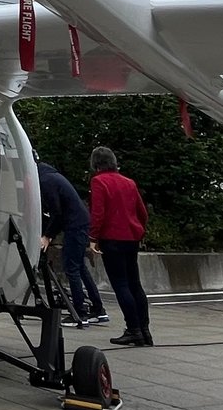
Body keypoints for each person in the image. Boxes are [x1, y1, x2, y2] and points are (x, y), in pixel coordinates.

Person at [88, 146, 152, 346]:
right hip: (131, 238)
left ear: (96, 164)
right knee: (135, 284)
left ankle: (133, 330)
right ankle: (145, 330)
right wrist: (140, 230)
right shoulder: (129, 182)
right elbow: (142, 212)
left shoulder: (99, 181)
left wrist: (92, 237)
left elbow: (98, 213)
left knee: (121, 285)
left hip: (112, 238)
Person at [39, 160, 107, 327]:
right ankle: (98, 310)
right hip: (81, 222)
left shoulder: (45, 181)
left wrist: (47, 235)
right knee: (80, 268)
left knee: (72, 268)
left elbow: (56, 212)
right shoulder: (52, 176)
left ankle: (79, 312)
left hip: (74, 225)